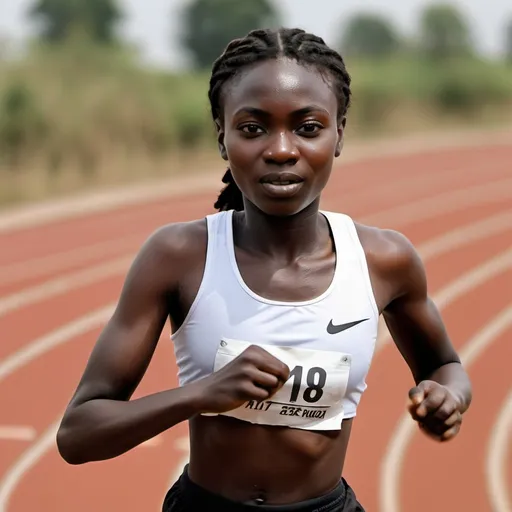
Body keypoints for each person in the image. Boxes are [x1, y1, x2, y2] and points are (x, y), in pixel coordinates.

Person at [56, 27, 472, 512]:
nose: (280, 149)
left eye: (308, 127)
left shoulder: (384, 260)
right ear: (222, 136)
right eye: (253, 128)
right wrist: (200, 395)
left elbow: (447, 367)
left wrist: (447, 398)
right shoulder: (178, 255)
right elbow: (78, 434)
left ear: (339, 134)